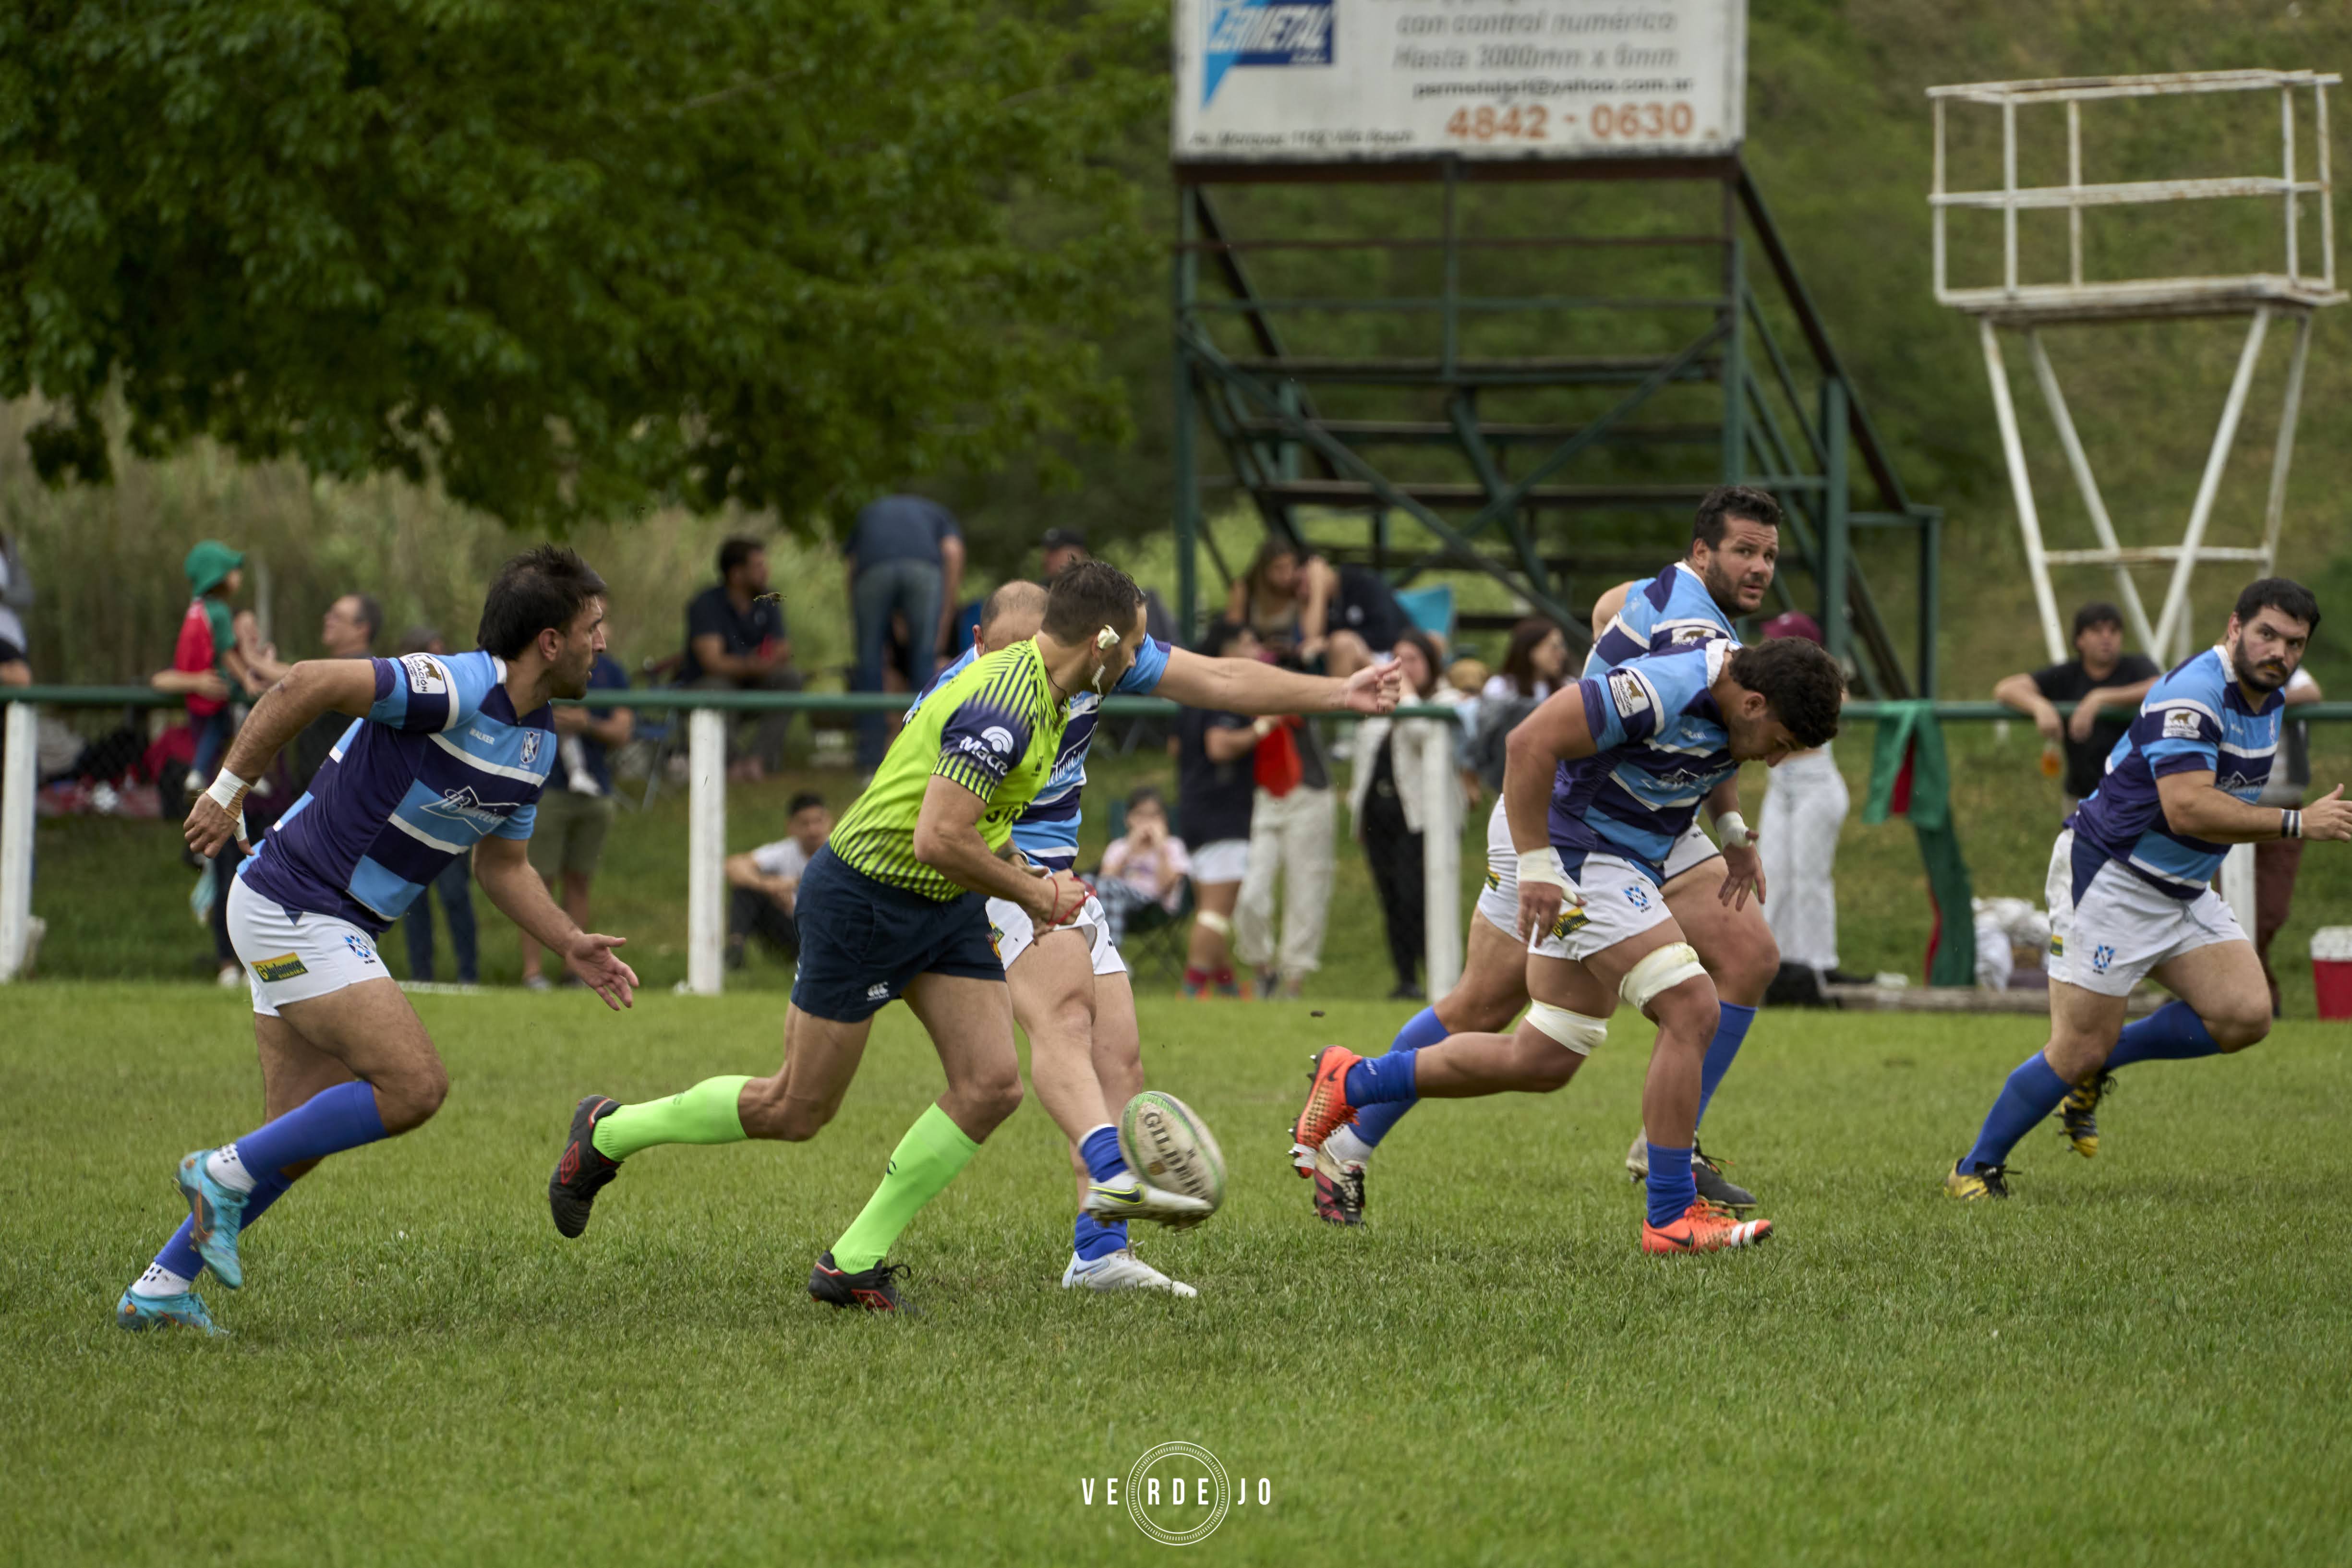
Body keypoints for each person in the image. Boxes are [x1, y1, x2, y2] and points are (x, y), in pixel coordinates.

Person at [545, 563, 1143, 1315]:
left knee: (990, 1085)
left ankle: (852, 1261)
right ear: (1101, 641)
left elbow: (974, 826)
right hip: (865, 900)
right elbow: (935, 837)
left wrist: (1028, 874)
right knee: (795, 1108)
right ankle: (608, 1132)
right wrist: (1034, 890)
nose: (1136, 662)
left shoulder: (1051, 694)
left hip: (942, 904)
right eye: (1134, 646)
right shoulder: (1007, 705)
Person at [115, 547, 636, 1335]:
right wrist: (227, 792)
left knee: (292, 1137)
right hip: (296, 906)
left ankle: (160, 1285)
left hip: (327, 919)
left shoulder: (533, 739)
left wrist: (567, 941)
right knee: (414, 1085)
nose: (605, 643)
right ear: (549, 642)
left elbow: (502, 866)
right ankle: (214, 1170)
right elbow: (305, 683)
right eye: (593, 627)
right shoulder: (453, 685)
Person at [909, 579, 1399, 1294]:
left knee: (1120, 1062)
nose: (1142, 657)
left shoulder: (1096, 657)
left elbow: (1222, 677)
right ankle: (1112, 1173)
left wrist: (1337, 692)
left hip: (1056, 872)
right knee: (1065, 1018)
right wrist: (1021, 881)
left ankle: (1098, 1251)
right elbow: (931, 821)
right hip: (993, 868)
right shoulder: (971, 694)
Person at [1314, 486, 1787, 1224]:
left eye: (1767, 555)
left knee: (1746, 953)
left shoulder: (1679, 612)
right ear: (1701, 552)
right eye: (1744, 551)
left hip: (1641, 822)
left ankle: (1670, 1139)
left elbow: (1689, 693)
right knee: (1489, 1007)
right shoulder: (1689, 643)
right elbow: (1555, 730)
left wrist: (1728, 829)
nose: (1759, 568)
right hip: (1577, 826)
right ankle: (1349, 1137)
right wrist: (1541, 857)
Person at [1290, 635, 1843, 1254]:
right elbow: (1529, 740)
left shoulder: (1744, 682)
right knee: (1690, 1005)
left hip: (1626, 851)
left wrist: (1734, 830)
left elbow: (1711, 757)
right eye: (1781, 743)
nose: (1774, 759)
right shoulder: (1664, 686)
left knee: (1547, 1056)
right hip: (1574, 846)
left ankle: (1354, 1080)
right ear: (1754, 703)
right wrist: (1536, 863)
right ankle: (1670, 1216)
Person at [1946, 579, 2348, 1200]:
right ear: (2233, 626)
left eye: (2293, 643)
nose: (2279, 651)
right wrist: (2297, 822)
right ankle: (1973, 1166)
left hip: (2181, 887)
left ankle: (2100, 1064)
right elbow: (2185, 808)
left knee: (2245, 1014)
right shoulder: (2194, 692)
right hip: (2110, 878)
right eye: (2266, 633)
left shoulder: (2266, 693)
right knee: (2076, 1046)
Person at [1347, 630, 1458, 1001]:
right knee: (1391, 898)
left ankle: (1440, 977)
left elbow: (1420, 734)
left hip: (1424, 819)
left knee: (1417, 897)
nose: (1403, 668)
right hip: (1380, 817)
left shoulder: (1445, 700)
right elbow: (1365, 760)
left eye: (1412, 660)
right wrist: (1358, 814)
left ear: (1430, 663)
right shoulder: (1380, 706)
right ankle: (1405, 980)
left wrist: (1407, 694)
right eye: (1397, 659)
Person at [520, 647, 633, 989]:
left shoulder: (612, 671)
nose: (599, 639)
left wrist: (586, 723)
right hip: (547, 789)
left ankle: (575, 971)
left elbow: (623, 730)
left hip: (594, 791)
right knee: (535, 882)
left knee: (579, 881)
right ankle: (532, 973)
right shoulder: (539, 666)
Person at [1753, 611, 1854, 993]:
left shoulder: (1820, 685)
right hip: (1780, 785)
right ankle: (1773, 964)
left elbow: (1838, 698)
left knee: (1808, 878)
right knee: (1772, 872)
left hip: (1816, 785)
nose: (1767, 646)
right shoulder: (1763, 683)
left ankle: (1818, 965)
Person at [1994, 603, 2163, 820]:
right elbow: (2006, 689)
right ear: (2079, 640)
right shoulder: (2067, 675)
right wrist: (2040, 706)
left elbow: (2159, 686)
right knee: (2077, 853)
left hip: (2136, 797)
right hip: (2081, 798)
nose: (2106, 638)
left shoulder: (2137, 666)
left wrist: (2100, 698)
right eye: (2097, 631)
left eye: (2113, 631)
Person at [844, 494, 965, 770]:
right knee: (925, 659)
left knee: (869, 662)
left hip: (871, 570)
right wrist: (944, 618)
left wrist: (862, 623)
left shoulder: (869, 512)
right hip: (924, 572)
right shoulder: (938, 513)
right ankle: (923, 755)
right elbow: (953, 552)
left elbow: (852, 565)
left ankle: (870, 759)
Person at [389, 627, 480, 987]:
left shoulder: (461, 702)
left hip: (451, 814)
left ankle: (469, 975)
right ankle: (421, 975)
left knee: (456, 895)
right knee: (413, 899)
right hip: (408, 815)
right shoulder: (402, 703)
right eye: (432, 653)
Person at [1173, 619, 1259, 999]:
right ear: (1228, 649)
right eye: (1248, 641)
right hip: (1223, 812)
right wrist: (1262, 729)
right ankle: (1190, 993)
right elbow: (1219, 746)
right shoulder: (1227, 693)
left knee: (1211, 909)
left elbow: (1175, 748)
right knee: (1216, 911)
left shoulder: (1193, 694)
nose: (1255, 650)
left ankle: (1226, 990)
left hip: (1193, 807)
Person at [681, 538, 802, 780]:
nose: (766, 572)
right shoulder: (706, 604)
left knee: (791, 678)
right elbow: (712, 662)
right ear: (736, 574)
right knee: (717, 688)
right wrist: (752, 665)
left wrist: (765, 662)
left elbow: (783, 648)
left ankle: (758, 760)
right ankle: (730, 764)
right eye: (758, 566)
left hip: (752, 683)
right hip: (712, 684)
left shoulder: (768, 600)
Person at [2255, 666, 2322, 1015]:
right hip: (2231, 811)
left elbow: (2312, 693)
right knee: (2231, 913)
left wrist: (2264, 699)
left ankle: (2257, 996)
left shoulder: (2287, 673)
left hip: (2286, 812)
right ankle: (2263, 1001)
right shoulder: (2224, 675)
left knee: (2270, 912)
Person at [173, 541, 265, 792]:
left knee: (215, 731)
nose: (239, 577)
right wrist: (247, 679)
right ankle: (245, 772)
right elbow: (226, 653)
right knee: (232, 722)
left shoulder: (196, 609)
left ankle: (202, 773)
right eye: (234, 571)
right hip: (217, 683)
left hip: (198, 683)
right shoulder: (220, 612)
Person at [724, 793, 832, 968]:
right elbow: (733, 866)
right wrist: (769, 886)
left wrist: (796, 902)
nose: (813, 830)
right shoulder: (785, 851)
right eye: (805, 823)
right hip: (790, 930)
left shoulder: (840, 855)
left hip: (825, 931)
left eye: (818, 822)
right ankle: (735, 950)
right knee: (746, 889)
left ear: (829, 821)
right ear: (791, 827)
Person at [1093, 786, 1190, 945]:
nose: (1147, 822)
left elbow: (1167, 887)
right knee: (1089, 881)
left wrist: (1160, 848)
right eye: (1140, 815)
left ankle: (1110, 953)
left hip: (1154, 906)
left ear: (1164, 820)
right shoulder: (1119, 847)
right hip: (1119, 903)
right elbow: (1104, 880)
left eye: (1154, 815)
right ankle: (1102, 951)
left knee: (1108, 887)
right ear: (1128, 819)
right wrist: (1130, 849)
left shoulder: (1173, 846)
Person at [0, 530, 32, 687]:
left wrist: (2, 594)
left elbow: (26, 596)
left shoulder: (6, 546)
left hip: (8, 641)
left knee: (20, 676)